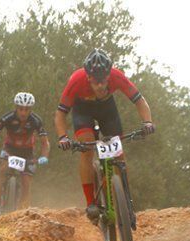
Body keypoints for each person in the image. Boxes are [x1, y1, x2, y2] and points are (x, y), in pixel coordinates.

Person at [53, 49, 155, 224]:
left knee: (118, 156)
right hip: (82, 110)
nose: (100, 85)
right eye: (95, 81)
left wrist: (147, 122)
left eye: (103, 80)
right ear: (88, 77)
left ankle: (124, 201)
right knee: (87, 149)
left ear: (109, 74)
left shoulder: (117, 76)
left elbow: (140, 100)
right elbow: (60, 114)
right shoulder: (77, 80)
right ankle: (91, 202)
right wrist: (63, 137)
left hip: (107, 110)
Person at [0, 92, 50, 216]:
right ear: (16, 108)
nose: (23, 112)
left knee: (26, 181)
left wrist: (44, 156)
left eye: (27, 109)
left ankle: (23, 210)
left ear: (31, 109)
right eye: (20, 109)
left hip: (27, 152)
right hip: (9, 149)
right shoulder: (8, 118)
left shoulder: (36, 120)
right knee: (3, 169)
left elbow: (45, 143)